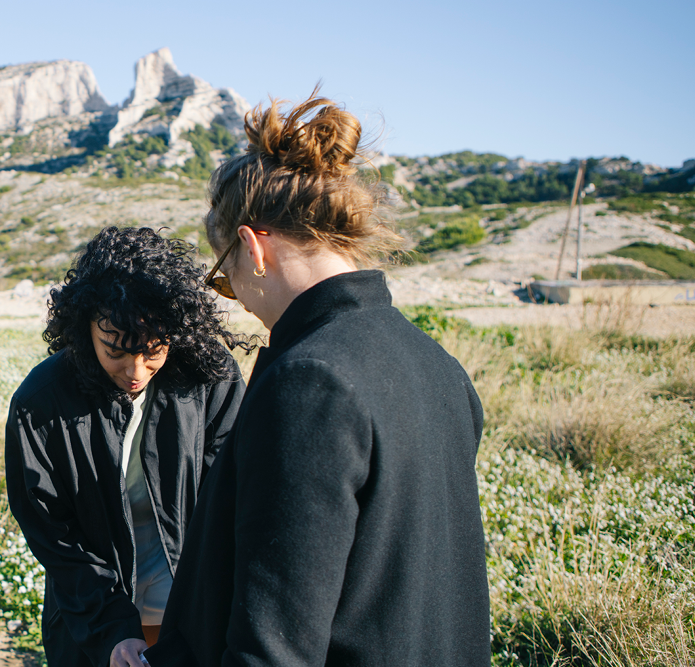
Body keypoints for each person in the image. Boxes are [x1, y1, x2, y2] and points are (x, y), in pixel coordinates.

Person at [137, 93, 490, 667]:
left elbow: (274, 645)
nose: (237, 301)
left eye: (223, 280)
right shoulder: (437, 365)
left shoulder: (308, 380)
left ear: (252, 248)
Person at [6, 226, 249, 667]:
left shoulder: (212, 378)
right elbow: (55, 537)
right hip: (91, 626)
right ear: (84, 328)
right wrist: (113, 632)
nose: (135, 370)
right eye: (115, 349)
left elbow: (233, 501)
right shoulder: (39, 403)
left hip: (195, 619)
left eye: (153, 350)